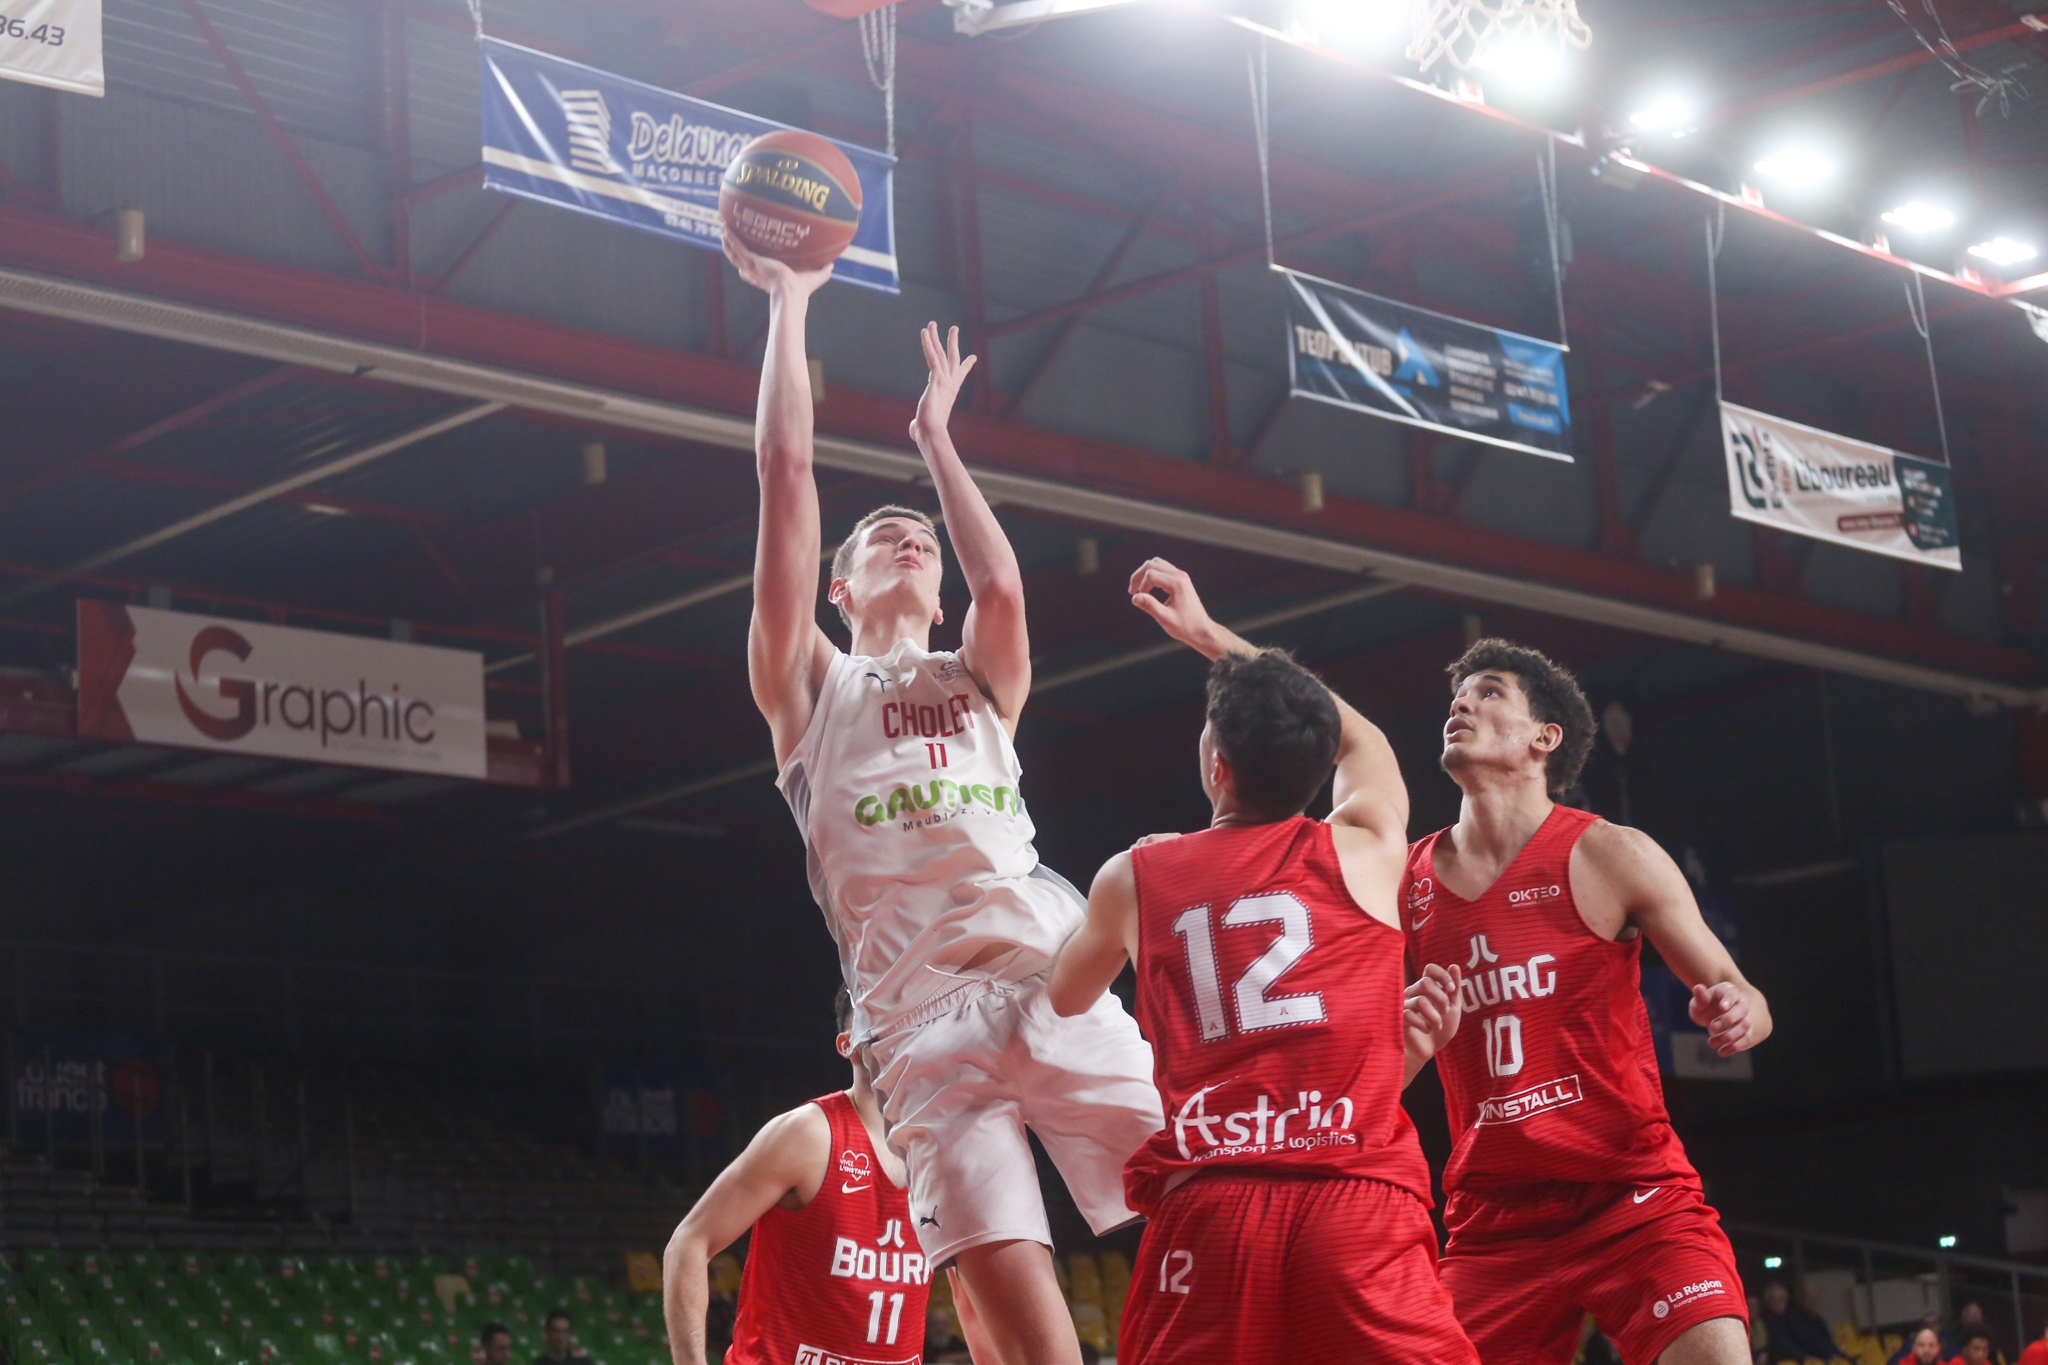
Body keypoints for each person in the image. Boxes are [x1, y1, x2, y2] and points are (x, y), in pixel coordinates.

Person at [726, 229, 1162, 1365]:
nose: (907, 539)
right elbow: (783, 474)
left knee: (1215, 1219)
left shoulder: (981, 679)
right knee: (1026, 1336)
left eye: (918, 533)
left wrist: (936, 446)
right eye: (881, 539)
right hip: (916, 1034)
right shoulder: (808, 683)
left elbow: (1005, 583)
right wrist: (789, 303)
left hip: (1044, 984)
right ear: (841, 584)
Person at [1047, 559, 1476, 1365]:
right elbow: (1366, 737)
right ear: (1322, 771)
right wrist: (1210, 636)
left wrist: (1127, 900)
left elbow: (1065, 995)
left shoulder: (1136, 876)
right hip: (1356, 1196)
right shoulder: (1369, 848)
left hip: (1214, 1202)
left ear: (1217, 767)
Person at [1402, 638, 1773, 1365]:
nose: (1462, 704)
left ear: (1545, 737)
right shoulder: (1406, 877)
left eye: (1489, 693)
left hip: (1629, 1195)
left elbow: (1746, 994)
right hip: (1493, 1218)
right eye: (1458, 695)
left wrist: (1739, 1012)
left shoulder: (1611, 853)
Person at [664, 990, 964, 1365]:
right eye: (878, 1018)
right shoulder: (809, 1135)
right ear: (847, 1044)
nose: (895, 1029)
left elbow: (969, 1297)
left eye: (905, 1017)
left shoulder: (944, 1147)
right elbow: (689, 1242)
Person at [1756, 1282, 1847, 1363]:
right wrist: (1805, 1357)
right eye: (1775, 1299)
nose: (1779, 1303)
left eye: (1782, 1298)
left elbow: (1811, 1339)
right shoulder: (1765, 1322)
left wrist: (1833, 1353)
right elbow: (1782, 1345)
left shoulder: (1797, 1318)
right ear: (1768, 1301)